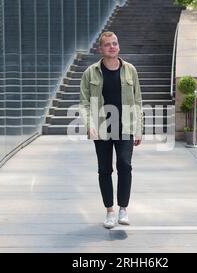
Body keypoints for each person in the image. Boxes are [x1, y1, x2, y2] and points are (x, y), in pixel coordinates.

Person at [79, 31, 143, 229]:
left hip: (125, 126)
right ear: (101, 48)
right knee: (105, 170)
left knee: (125, 166)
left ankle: (123, 209)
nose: (112, 47)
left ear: (119, 46)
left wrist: (139, 128)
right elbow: (84, 103)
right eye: (107, 44)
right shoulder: (90, 72)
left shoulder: (130, 70)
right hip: (101, 129)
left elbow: (138, 100)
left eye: (115, 43)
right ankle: (109, 211)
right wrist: (89, 125)